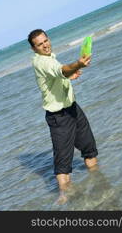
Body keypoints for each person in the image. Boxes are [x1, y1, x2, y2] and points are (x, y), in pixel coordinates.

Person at [28, 29, 98, 203]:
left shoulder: (50, 56)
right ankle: (64, 197)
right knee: (63, 164)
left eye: (46, 40)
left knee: (89, 149)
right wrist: (78, 64)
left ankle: (98, 180)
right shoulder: (41, 62)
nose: (45, 45)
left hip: (73, 109)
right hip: (59, 117)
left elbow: (61, 73)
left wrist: (69, 76)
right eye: (40, 44)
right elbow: (61, 69)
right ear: (34, 48)